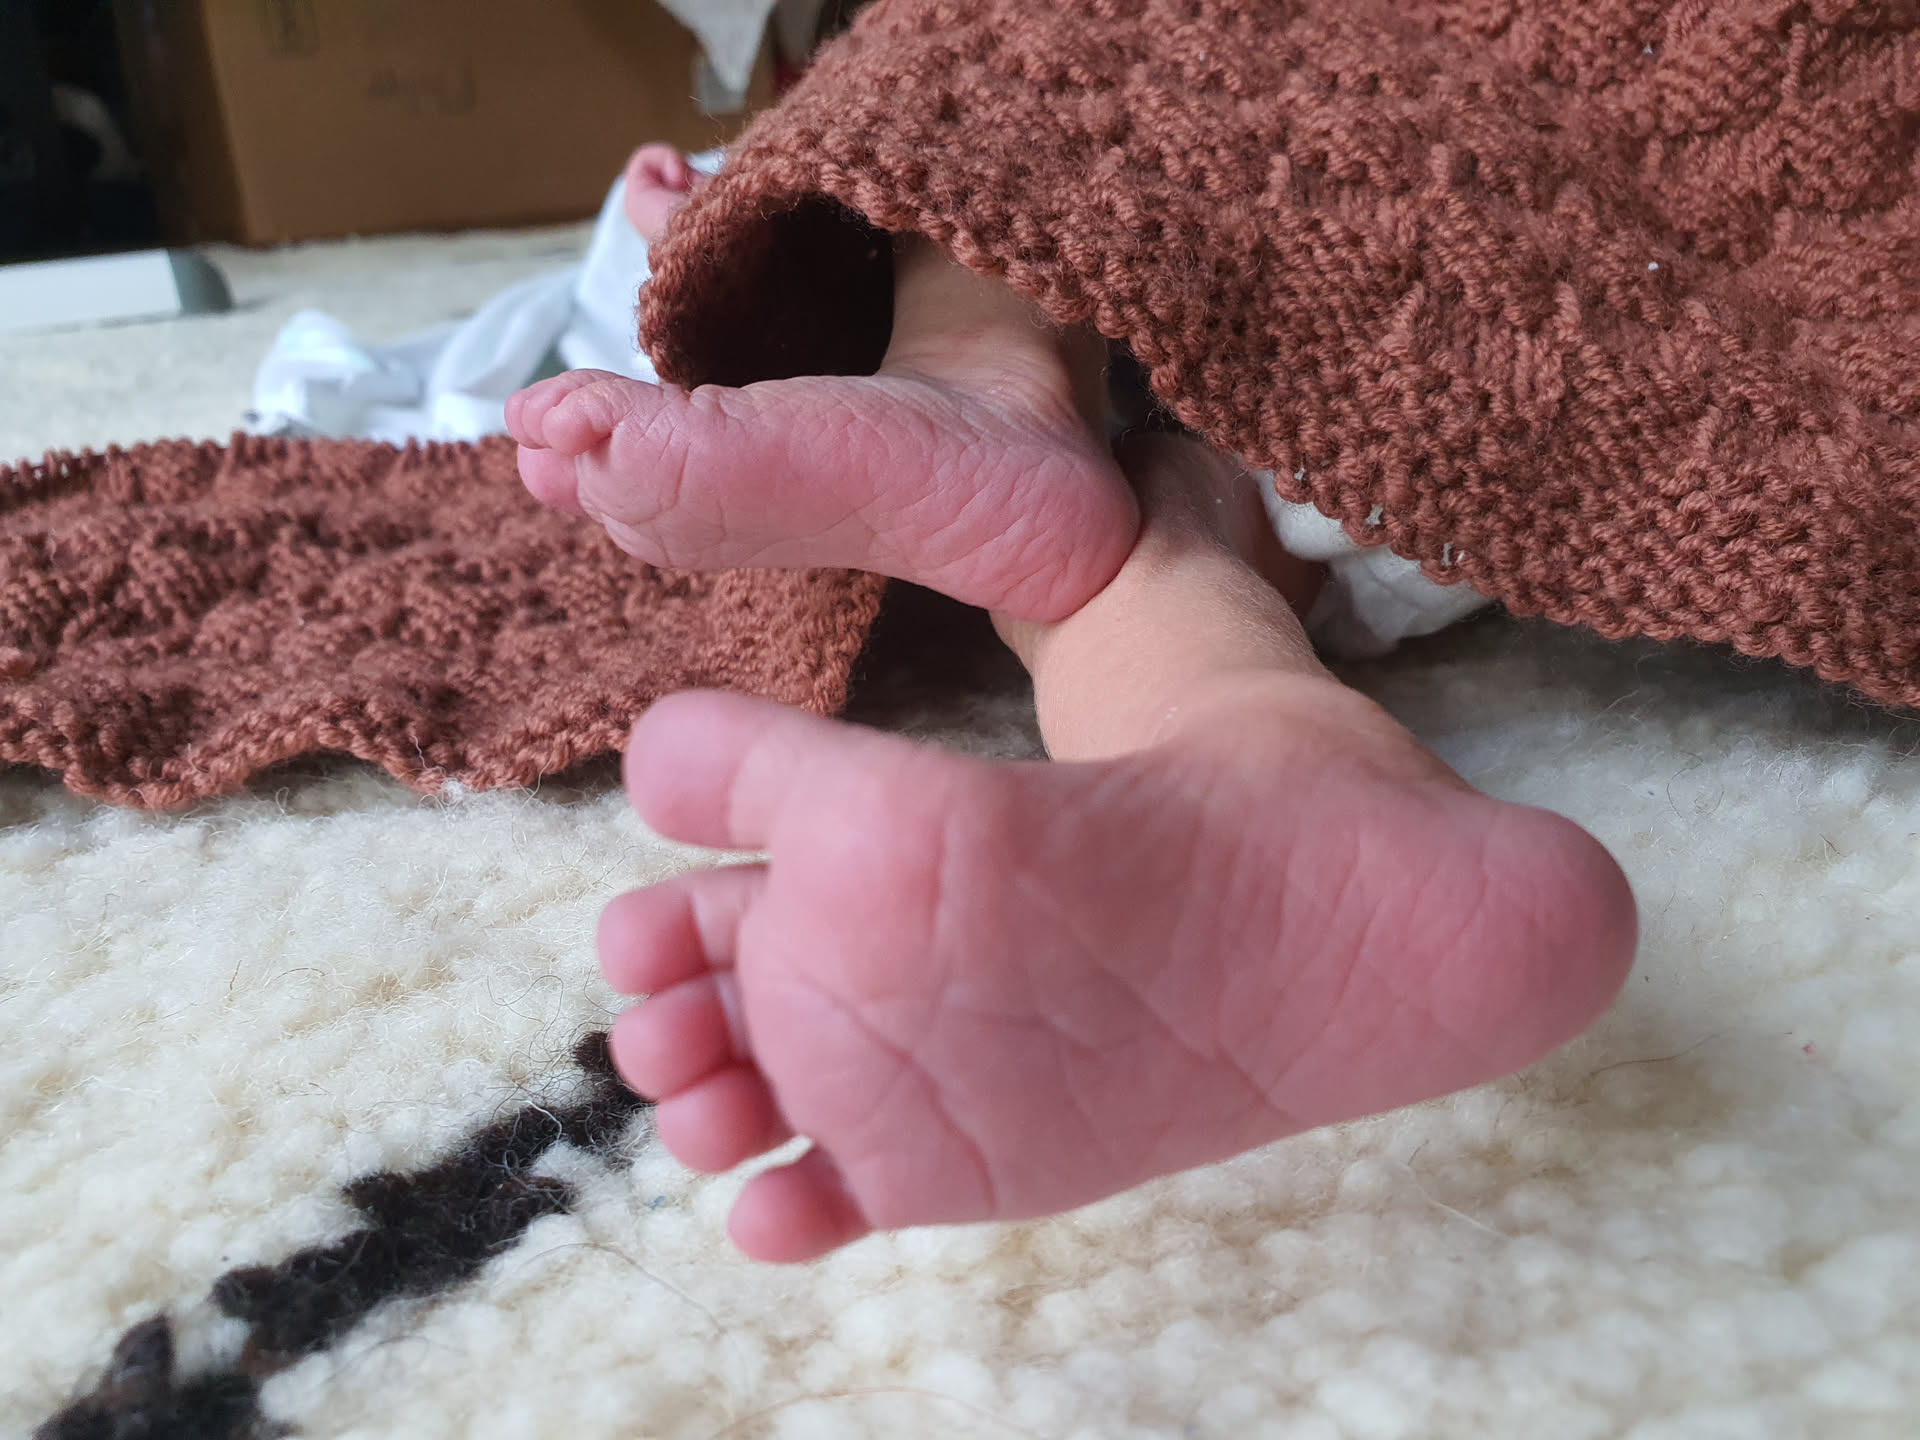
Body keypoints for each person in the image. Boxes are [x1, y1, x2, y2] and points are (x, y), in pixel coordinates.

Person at [507, 0, 1916, 1263]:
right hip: (1495, 384)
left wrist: (765, 206)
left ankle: (977, 372)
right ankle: (1278, 772)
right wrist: (753, 188)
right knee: (1123, 522)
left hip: (1447, 265)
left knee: (1022, 90)